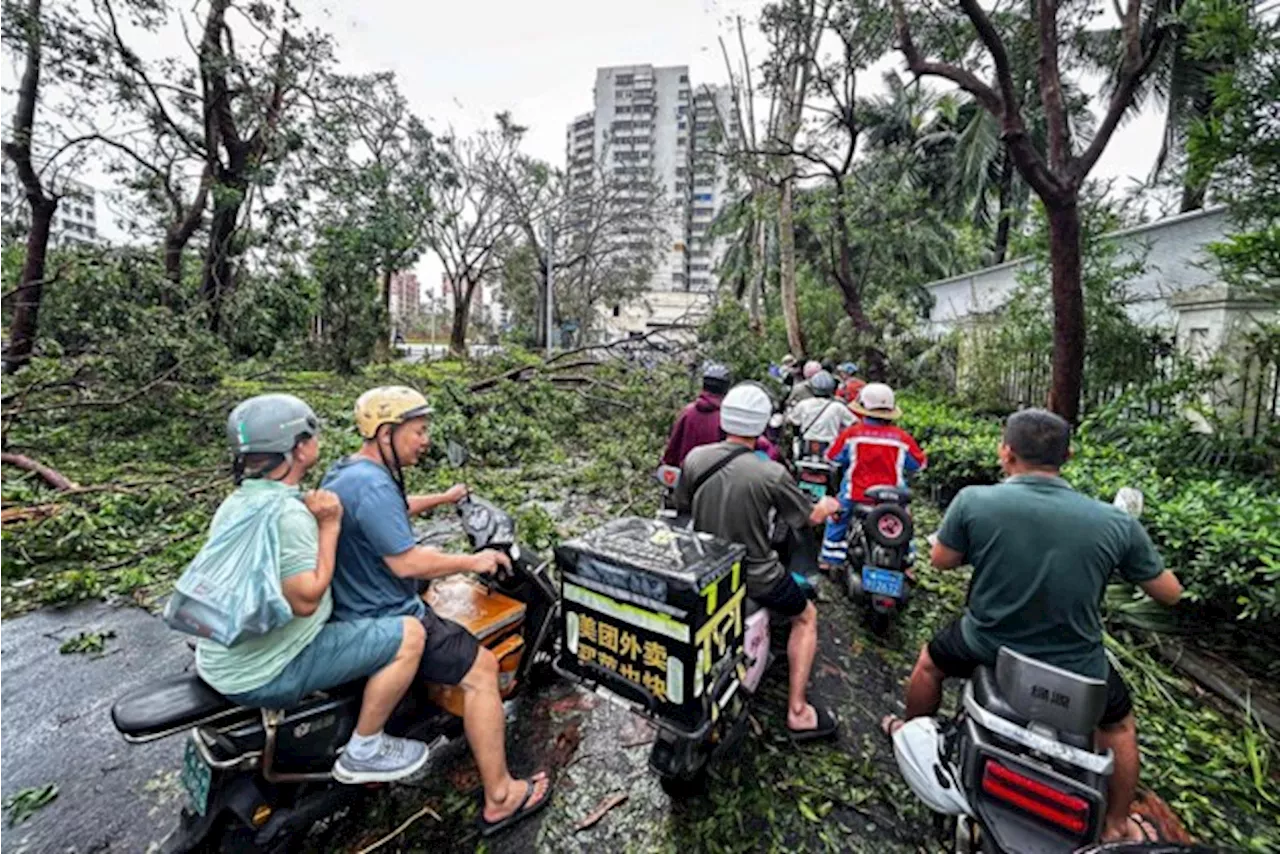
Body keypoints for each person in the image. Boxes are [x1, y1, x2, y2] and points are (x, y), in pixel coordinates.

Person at [883, 409, 1183, 843]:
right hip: (1078, 667)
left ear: (1006, 452)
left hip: (986, 646)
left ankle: (912, 734)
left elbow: (941, 560)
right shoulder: (1116, 521)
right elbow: (1169, 593)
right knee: (1118, 726)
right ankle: (1117, 823)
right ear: (1069, 456)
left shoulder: (974, 500)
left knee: (930, 664)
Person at [322, 386, 552, 835]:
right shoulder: (372, 485)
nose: (425, 440)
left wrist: (445, 498)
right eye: (419, 431)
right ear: (387, 432)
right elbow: (406, 562)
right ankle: (501, 796)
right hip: (386, 610)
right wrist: (472, 560)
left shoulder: (350, 472)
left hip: (352, 605)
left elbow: (394, 508)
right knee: (482, 669)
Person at [195, 394, 432, 784]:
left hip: (219, 656)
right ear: (300, 448)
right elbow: (306, 600)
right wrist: (330, 527)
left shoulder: (238, 502)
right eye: (312, 434)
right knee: (410, 634)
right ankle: (365, 749)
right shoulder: (290, 514)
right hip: (262, 672)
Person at [675, 383, 843, 742]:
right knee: (807, 616)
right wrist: (828, 506)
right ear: (764, 424)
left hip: (707, 572)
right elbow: (808, 517)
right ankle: (798, 711)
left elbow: (683, 508)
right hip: (758, 577)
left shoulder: (695, 459)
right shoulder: (771, 473)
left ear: (725, 419)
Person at [820, 383, 927, 569]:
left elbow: (832, 458)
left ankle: (831, 560)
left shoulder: (852, 434)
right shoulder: (902, 438)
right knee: (905, 525)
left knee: (837, 518)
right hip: (894, 499)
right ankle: (908, 563)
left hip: (856, 494)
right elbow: (919, 465)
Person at [662, 363, 779, 465]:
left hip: (686, 479)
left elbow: (671, 453)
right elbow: (763, 450)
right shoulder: (729, 417)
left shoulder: (687, 412)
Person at [786, 370, 857, 448]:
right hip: (830, 446)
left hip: (806, 444)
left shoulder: (804, 404)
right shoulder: (838, 406)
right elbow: (854, 423)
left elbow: (791, 420)